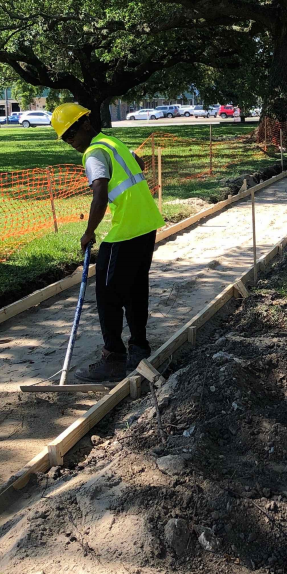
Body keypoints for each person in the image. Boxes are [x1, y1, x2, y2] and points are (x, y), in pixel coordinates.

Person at [50, 103, 165, 383]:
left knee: (107, 293)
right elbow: (138, 163)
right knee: (136, 289)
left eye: (72, 133)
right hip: (146, 224)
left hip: (125, 230)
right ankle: (139, 348)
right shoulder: (111, 142)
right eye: (65, 138)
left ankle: (113, 358)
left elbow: (99, 193)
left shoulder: (93, 152)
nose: (71, 142)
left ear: (86, 124)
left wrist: (89, 232)